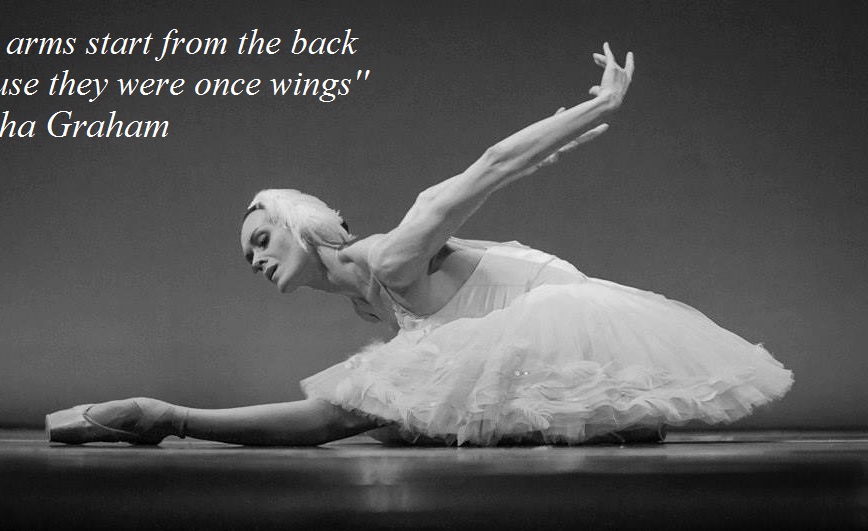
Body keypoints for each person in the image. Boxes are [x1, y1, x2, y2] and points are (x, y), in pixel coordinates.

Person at [46, 43, 793, 447]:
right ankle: (156, 416)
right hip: (515, 332)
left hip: (560, 313)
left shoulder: (393, 257)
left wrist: (596, 106)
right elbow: (332, 418)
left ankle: (158, 417)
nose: (257, 258)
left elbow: (493, 165)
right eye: (249, 257)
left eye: (262, 238)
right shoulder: (370, 302)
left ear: (302, 222)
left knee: (395, 411)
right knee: (393, 412)